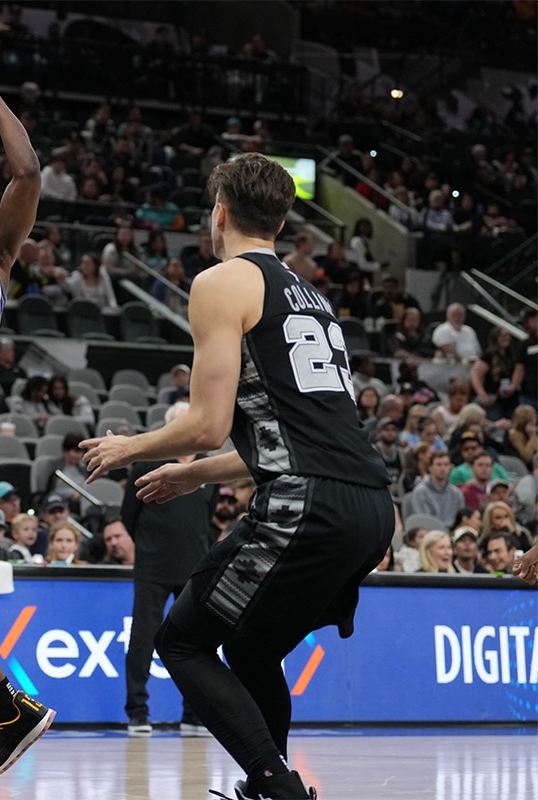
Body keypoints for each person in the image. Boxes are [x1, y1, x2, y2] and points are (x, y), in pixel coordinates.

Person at [82, 153, 394, 800]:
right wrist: (197, 477)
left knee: (184, 640)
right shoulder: (316, 298)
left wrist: (130, 446)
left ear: (219, 211)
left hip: (307, 504)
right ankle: (268, 787)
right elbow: (294, 436)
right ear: (280, 221)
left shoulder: (220, 281)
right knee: (252, 649)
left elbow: (205, 422)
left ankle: (279, 788)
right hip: (368, 506)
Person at [120, 402, 214, 737]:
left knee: (194, 642)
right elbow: (129, 515)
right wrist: (148, 546)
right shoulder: (147, 464)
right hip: (153, 566)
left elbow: (209, 519)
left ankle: (193, 716)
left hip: (195, 568)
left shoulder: (207, 469)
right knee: (143, 639)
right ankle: (137, 713)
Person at [409, 451, 464, 523]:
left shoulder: (456, 492)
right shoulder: (420, 492)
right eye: (439, 465)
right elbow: (423, 521)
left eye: (446, 464)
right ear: (430, 467)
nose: (443, 468)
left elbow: (462, 518)